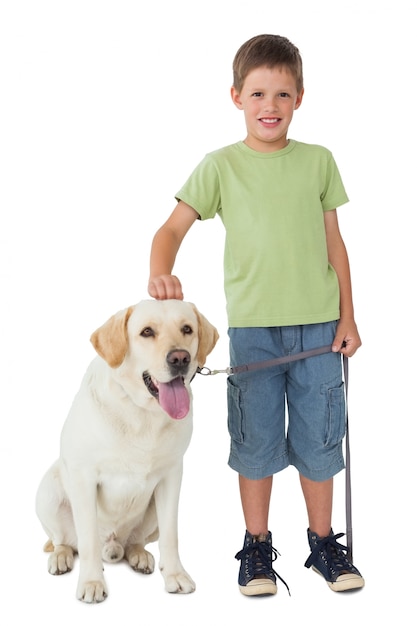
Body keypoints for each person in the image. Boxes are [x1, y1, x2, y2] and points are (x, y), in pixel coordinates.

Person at [148, 34, 364, 596]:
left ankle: (323, 546)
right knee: (257, 441)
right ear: (236, 97)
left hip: (319, 330)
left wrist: (349, 318)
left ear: (299, 98)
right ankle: (257, 550)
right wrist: (161, 276)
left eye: (283, 95)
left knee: (320, 440)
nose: (271, 106)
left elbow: (335, 245)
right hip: (252, 334)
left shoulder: (319, 161)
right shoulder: (220, 166)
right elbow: (171, 229)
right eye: (259, 94)